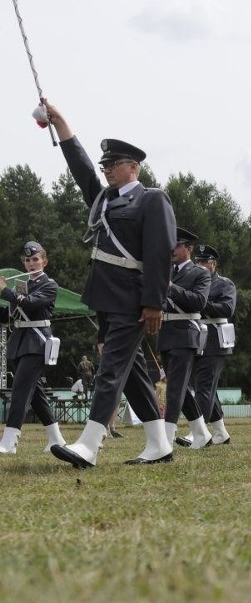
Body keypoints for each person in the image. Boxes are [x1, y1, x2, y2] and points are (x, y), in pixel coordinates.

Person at [46, 101, 176, 468]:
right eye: (105, 166)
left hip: (133, 300)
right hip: (106, 298)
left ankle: (89, 443)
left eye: (113, 165)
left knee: (111, 370)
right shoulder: (104, 200)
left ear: (133, 168)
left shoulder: (151, 199)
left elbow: (159, 252)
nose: (105, 170)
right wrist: (62, 126)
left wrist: (155, 302)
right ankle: (158, 444)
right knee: (131, 372)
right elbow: (81, 170)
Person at [0, 241, 66, 455]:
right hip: (20, 342)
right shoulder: (21, 285)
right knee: (36, 394)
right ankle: (56, 439)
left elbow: (28, 303)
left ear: (44, 262)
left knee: (20, 390)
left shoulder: (50, 285)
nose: (31, 263)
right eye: (28, 260)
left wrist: (4, 291)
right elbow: (11, 314)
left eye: (35, 259)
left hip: (37, 343)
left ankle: (9, 442)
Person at [176, 243, 236, 446]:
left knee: (204, 386)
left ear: (214, 264)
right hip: (197, 335)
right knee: (207, 386)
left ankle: (197, 431)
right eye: (198, 261)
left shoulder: (224, 284)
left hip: (216, 338)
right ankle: (220, 432)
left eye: (205, 261)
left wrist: (201, 303)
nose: (201, 265)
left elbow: (227, 308)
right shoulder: (192, 281)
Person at [160, 228, 213, 449]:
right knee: (180, 388)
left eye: (177, 245)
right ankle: (202, 434)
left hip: (185, 333)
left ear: (188, 249)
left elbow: (199, 302)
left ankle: (165, 439)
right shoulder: (166, 271)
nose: (171, 249)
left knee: (174, 388)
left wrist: (171, 288)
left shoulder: (200, 273)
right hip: (166, 332)